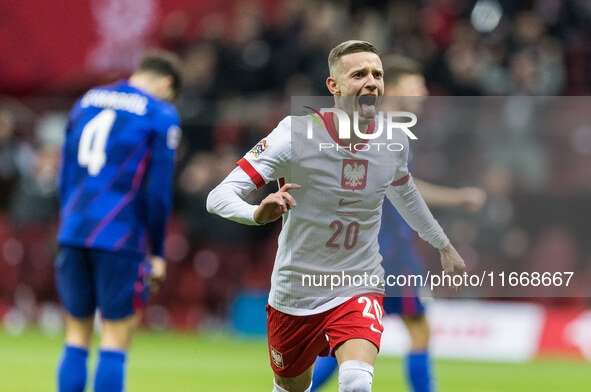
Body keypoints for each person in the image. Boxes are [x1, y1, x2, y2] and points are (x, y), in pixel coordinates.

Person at [207, 40, 465, 392]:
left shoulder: (394, 140)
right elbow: (218, 196)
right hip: (295, 290)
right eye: (359, 74)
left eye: (377, 74)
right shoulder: (294, 134)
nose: (371, 82)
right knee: (291, 386)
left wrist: (442, 244)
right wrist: (256, 212)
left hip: (359, 283)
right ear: (334, 86)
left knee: (357, 382)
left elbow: (407, 196)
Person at [310, 56, 487, 392]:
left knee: (346, 338)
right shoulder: (386, 131)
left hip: (364, 249)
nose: (422, 92)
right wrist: (458, 199)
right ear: (392, 89)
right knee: (413, 330)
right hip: (388, 251)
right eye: (414, 85)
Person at [54, 50, 182, 392]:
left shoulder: (86, 100)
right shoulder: (160, 113)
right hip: (119, 234)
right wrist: (156, 252)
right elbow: (157, 193)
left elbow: (63, 175)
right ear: (167, 83)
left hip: (73, 229)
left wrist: (68, 222)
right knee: (114, 337)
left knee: (77, 336)